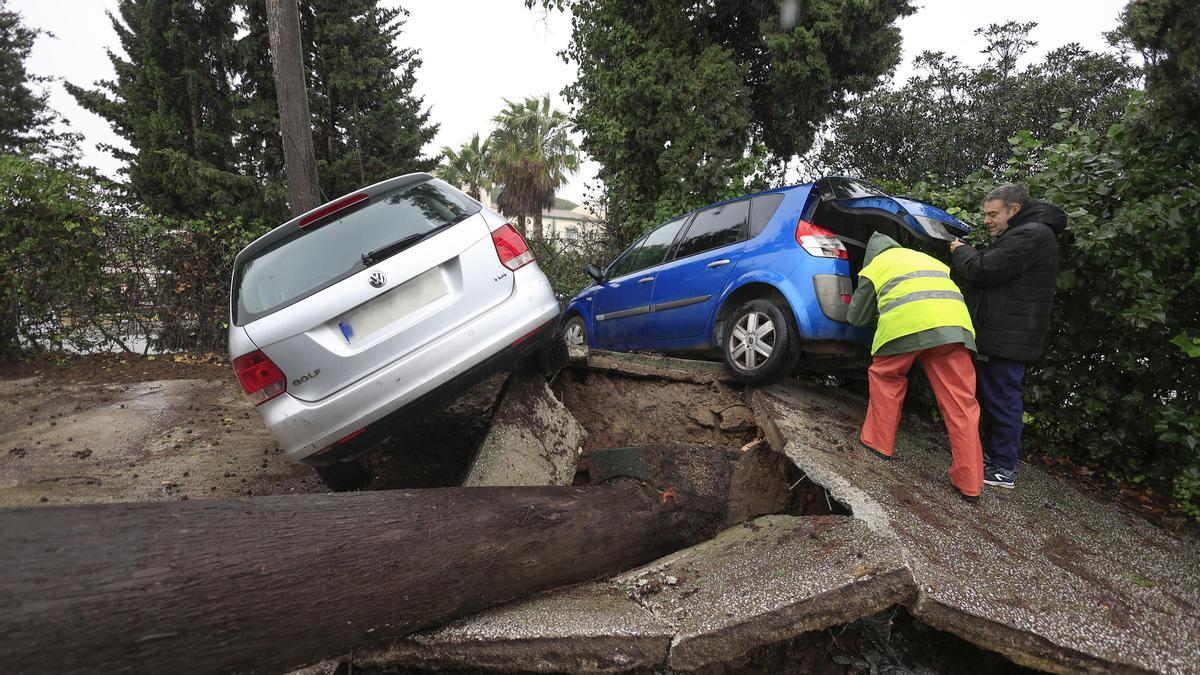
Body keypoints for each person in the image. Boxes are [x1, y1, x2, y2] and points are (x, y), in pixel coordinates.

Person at [849, 231, 984, 503]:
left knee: (887, 379)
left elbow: (856, 317)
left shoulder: (875, 267)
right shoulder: (930, 261)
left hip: (905, 328)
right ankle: (970, 484)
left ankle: (878, 444)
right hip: (954, 330)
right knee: (962, 404)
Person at [949, 184, 1067, 489]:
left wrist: (962, 251)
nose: (987, 220)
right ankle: (992, 459)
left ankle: (1002, 468)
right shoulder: (1026, 233)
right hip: (1005, 334)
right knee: (995, 399)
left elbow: (985, 270)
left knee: (1002, 401)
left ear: (1013, 210)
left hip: (1008, 338)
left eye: (993, 214)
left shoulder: (1031, 235)